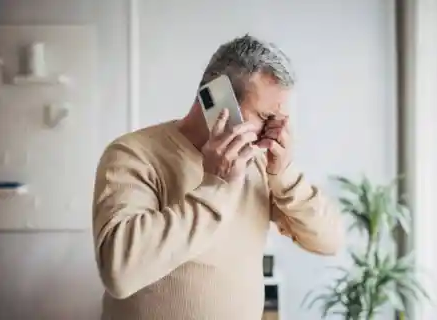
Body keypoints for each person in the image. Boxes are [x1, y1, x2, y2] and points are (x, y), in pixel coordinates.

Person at [92, 34, 345, 320]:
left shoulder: (259, 162)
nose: (271, 133)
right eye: (264, 117)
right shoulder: (133, 154)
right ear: (215, 98)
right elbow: (119, 272)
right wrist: (217, 186)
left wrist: (283, 175)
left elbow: (330, 240)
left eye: (279, 121)